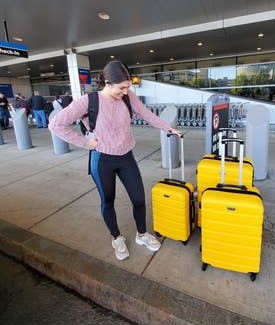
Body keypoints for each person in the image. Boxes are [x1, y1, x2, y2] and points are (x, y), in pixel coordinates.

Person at [49, 60, 181, 261]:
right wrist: (85, 142)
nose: (126, 92)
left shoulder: (128, 97)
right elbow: (56, 124)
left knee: (138, 198)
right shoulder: (88, 101)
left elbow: (146, 114)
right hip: (102, 159)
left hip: (126, 156)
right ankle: (116, 237)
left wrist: (169, 128)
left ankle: (142, 235)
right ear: (108, 83)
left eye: (128, 87)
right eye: (122, 88)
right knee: (108, 201)